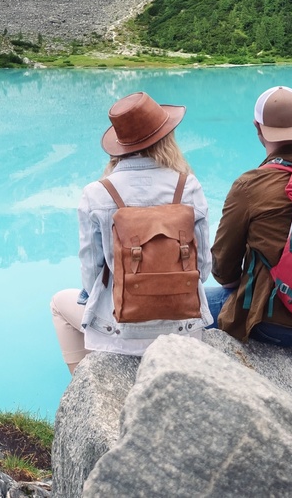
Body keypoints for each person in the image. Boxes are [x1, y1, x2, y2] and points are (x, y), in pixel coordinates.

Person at [50, 91, 213, 374]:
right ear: (166, 138)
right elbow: (203, 267)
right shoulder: (188, 187)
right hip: (182, 330)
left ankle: (86, 384)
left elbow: (90, 276)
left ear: (119, 145)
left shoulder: (96, 193)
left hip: (120, 333)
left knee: (58, 303)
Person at [206, 85, 292, 348]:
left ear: (258, 128)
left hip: (268, 325)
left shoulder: (249, 185)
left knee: (184, 303)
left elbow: (224, 271)